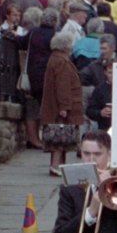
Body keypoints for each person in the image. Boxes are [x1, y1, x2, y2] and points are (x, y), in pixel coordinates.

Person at [40, 31, 83, 176]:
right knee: (60, 138)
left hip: (55, 106)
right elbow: (62, 86)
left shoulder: (55, 59)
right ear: (65, 46)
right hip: (62, 107)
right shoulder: (62, 62)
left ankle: (59, 166)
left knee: (59, 138)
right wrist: (64, 107)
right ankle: (56, 165)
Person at [21, 7, 57, 150]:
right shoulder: (55, 35)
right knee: (48, 108)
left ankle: (33, 138)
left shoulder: (33, 33)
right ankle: (47, 140)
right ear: (55, 21)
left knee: (32, 106)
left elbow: (20, 42)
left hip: (32, 74)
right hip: (48, 75)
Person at [85, 60, 112, 130]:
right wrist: (100, 113)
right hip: (105, 129)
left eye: (116, 72)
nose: (113, 75)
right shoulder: (99, 90)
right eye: (110, 72)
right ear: (105, 72)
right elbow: (89, 111)